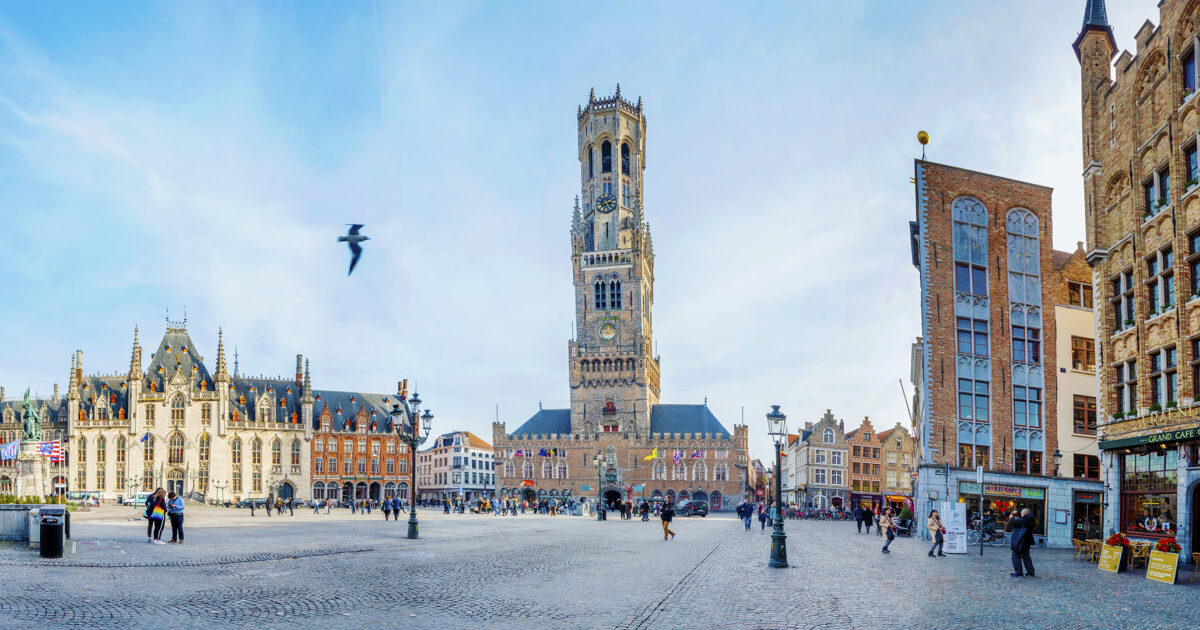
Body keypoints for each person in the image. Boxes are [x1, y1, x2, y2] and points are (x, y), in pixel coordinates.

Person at [1009, 508, 1036, 578]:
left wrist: (1011, 516)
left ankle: (1018, 572)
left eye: (1021, 514)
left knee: (1015, 556)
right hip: (1027, 541)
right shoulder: (1031, 519)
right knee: (1026, 556)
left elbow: (1013, 522)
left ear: (1023, 514)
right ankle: (1031, 572)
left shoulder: (1024, 520)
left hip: (1020, 540)